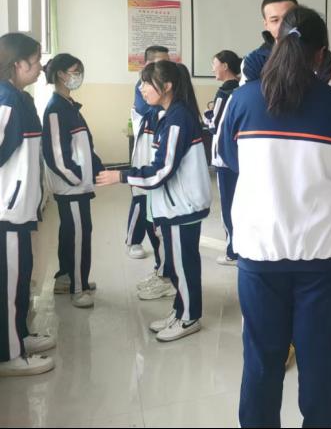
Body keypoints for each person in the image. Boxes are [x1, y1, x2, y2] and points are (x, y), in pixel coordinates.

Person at [218, 7, 331, 427]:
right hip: (322, 253)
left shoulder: (242, 100)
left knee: (262, 359)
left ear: (278, 45)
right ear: (321, 54)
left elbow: (229, 160)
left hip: (260, 250)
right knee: (320, 358)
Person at [97, 62, 211, 342]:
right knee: (177, 264)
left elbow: (162, 171)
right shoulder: (169, 114)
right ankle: (180, 311)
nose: (142, 89)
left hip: (182, 206)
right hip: (175, 205)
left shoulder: (178, 119)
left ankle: (189, 317)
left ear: (167, 86)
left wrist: (121, 176)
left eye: (147, 83)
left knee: (184, 266)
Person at [0, 33, 56, 377]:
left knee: (21, 279)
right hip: (7, 211)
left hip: (21, 209)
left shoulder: (20, 98)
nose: (39, 68)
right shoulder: (6, 100)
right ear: (17, 64)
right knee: (8, 286)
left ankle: (19, 336)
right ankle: (9, 355)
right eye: (35, 62)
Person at [42, 54, 104, 309]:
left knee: (70, 232)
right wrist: (77, 177)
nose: (78, 76)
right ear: (60, 74)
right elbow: (56, 155)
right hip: (71, 188)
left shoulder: (69, 105)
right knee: (79, 235)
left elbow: (85, 145)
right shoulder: (56, 108)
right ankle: (79, 288)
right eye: (75, 71)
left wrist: (96, 169)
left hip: (77, 185)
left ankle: (66, 278)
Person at [126, 45, 169, 260]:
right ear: (148, 64)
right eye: (162, 62)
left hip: (159, 145)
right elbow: (149, 109)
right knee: (141, 197)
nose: (166, 67)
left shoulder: (166, 84)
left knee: (156, 196)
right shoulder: (143, 85)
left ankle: (159, 239)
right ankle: (133, 240)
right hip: (145, 147)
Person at [206, 50, 242, 266]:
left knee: (228, 205)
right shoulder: (243, 89)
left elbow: (214, 125)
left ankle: (232, 252)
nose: (213, 68)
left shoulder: (224, 92)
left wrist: (207, 115)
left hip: (224, 158)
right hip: (240, 155)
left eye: (214, 64)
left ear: (225, 66)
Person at [241, 0, 298, 83]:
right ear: (266, 25)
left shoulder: (317, 53)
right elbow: (251, 91)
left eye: (288, 18)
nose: (282, 26)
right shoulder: (254, 60)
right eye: (275, 20)